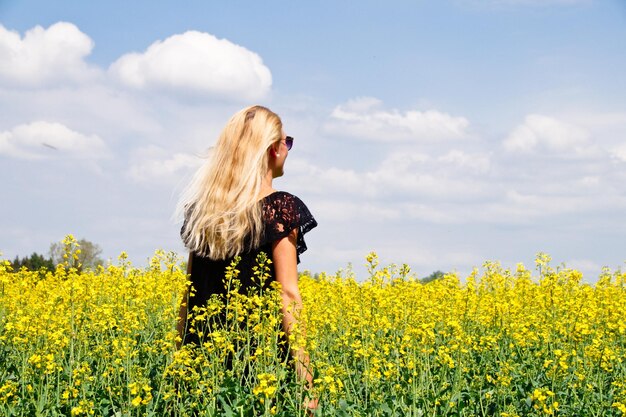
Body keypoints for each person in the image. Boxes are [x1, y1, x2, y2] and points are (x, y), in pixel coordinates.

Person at [175, 105, 318, 412]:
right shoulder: (280, 208)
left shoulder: (202, 213)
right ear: (271, 150)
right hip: (259, 369)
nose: (288, 149)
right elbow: (287, 294)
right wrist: (306, 381)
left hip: (203, 365)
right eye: (286, 141)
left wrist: (178, 368)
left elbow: (188, 295)